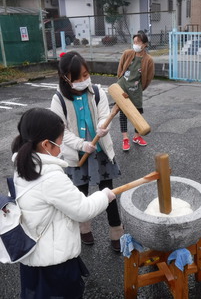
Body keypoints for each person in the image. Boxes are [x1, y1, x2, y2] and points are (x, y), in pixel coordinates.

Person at [12, 108, 116, 298]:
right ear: (45, 144)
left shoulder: (24, 165)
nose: (61, 150)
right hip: (54, 262)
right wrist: (105, 195)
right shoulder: (50, 176)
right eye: (59, 144)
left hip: (33, 257)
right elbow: (83, 210)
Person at [51, 51, 123, 251]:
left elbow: (103, 115)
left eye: (85, 75)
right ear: (66, 78)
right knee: (79, 196)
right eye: (78, 77)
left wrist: (102, 126)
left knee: (108, 193)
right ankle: (84, 229)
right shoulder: (58, 99)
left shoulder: (98, 91)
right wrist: (81, 145)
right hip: (76, 156)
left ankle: (116, 231)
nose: (84, 80)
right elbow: (60, 130)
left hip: (100, 152)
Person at [117, 31, 155, 151]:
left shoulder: (148, 60)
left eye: (138, 42)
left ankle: (136, 137)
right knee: (123, 113)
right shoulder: (127, 53)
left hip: (136, 89)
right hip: (123, 86)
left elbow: (148, 77)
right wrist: (120, 84)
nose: (135, 45)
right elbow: (120, 68)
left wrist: (140, 88)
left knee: (137, 113)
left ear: (145, 44)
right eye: (134, 42)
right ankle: (125, 139)